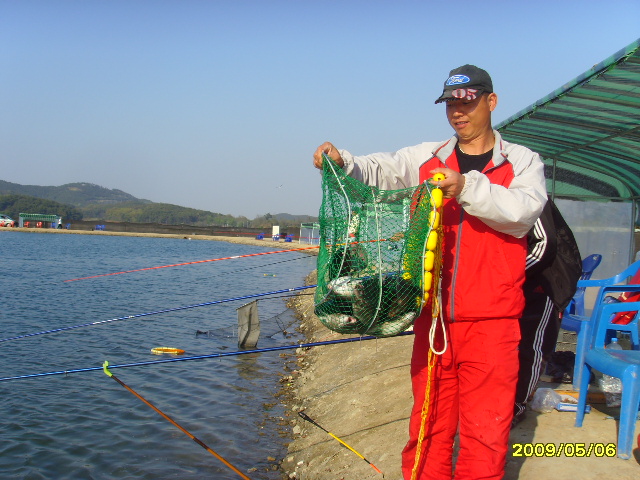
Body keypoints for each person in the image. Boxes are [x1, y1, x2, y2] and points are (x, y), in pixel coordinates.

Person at [312, 65, 547, 480]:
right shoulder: (428, 156)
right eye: (450, 104)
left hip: (493, 324)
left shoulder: (523, 161)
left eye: (467, 102)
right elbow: (381, 169)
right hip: (433, 320)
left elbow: (522, 213)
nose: (458, 111)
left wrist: (466, 187)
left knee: (486, 432)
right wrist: (343, 161)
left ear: (491, 102)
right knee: (428, 426)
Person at [514, 197, 582, 426]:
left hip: (545, 283)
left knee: (531, 346)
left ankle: (517, 405)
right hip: (515, 284)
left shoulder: (531, 194)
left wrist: (508, 276)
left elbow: (544, 245)